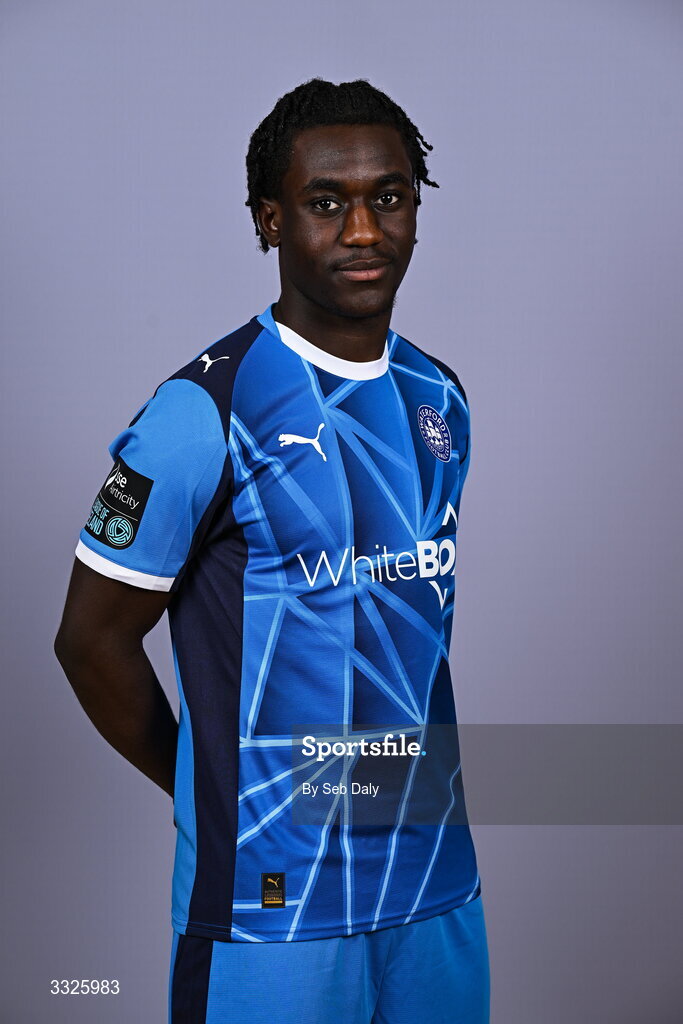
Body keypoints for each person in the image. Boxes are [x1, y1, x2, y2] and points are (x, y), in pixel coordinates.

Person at [54, 77, 491, 1024]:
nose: (363, 229)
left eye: (389, 197)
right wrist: (209, 784)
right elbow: (89, 641)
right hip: (271, 909)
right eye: (326, 203)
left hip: (434, 880)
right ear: (268, 220)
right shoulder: (200, 413)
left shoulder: (439, 397)